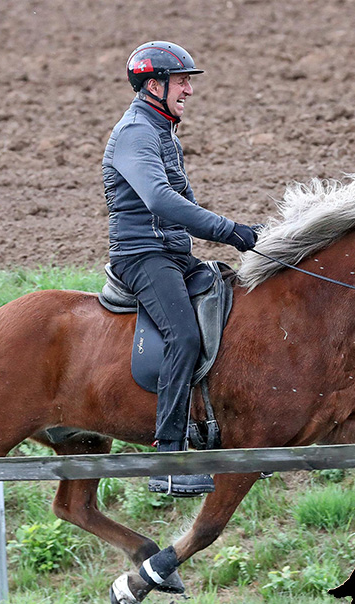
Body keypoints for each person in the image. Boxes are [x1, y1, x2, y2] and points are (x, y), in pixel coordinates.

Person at [102, 41, 258, 497]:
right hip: (143, 257)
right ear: (155, 85)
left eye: (189, 81)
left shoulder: (162, 131)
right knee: (185, 336)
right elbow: (160, 200)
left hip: (172, 253)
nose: (189, 89)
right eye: (183, 80)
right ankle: (167, 455)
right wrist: (233, 231)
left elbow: (183, 204)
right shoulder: (136, 133)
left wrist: (251, 236)